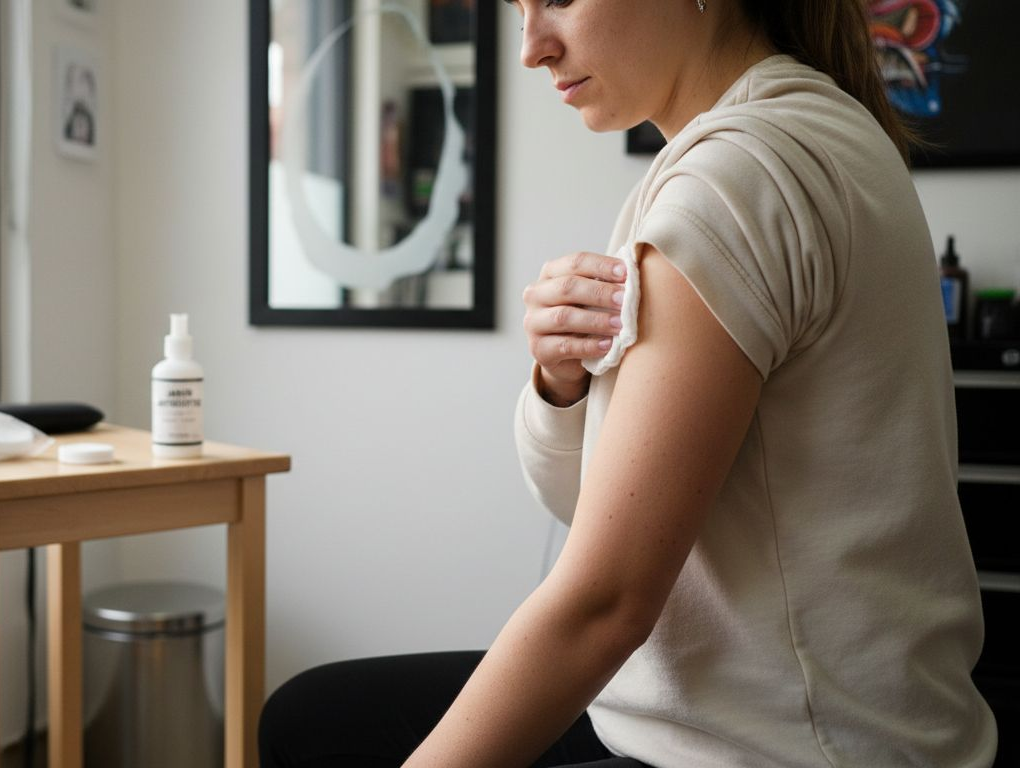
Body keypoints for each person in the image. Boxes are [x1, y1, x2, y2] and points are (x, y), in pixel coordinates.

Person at [259, 0, 998, 766]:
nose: (531, 50)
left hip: (782, 748)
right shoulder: (807, 134)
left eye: (558, 2)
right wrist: (563, 384)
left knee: (317, 728)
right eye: (520, 10)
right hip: (793, 723)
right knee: (316, 716)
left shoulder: (738, 179)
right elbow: (600, 509)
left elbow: (605, 605)